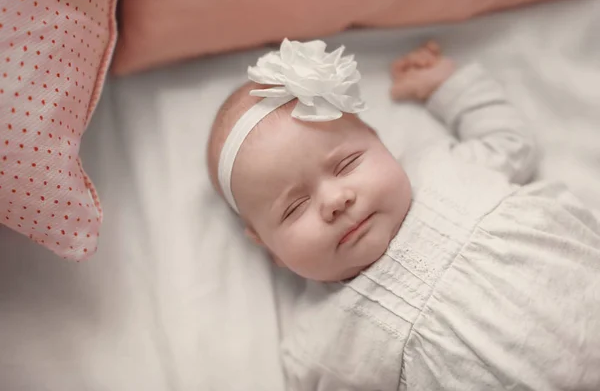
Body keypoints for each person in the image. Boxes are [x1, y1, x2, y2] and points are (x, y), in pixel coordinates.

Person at [207, 39, 600, 390]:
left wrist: (449, 86)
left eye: (346, 165)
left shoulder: (442, 167)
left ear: (380, 144)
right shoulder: (318, 341)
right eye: (294, 207)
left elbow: (510, 143)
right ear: (269, 247)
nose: (334, 200)